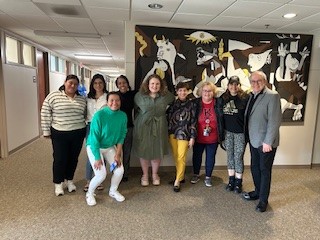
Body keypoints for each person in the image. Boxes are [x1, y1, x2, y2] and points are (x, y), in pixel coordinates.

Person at [242, 71, 282, 212]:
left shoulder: (272, 96)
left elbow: (274, 121)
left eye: (258, 81)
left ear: (264, 81)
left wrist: (268, 142)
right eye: (253, 81)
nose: (255, 83)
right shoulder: (251, 95)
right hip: (254, 140)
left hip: (265, 143)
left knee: (264, 171)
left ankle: (263, 200)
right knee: (254, 168)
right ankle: (258, 192)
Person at [41, 74, 86, 196]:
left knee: (73, 159)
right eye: (70, 82)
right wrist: (46, 131)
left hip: (78, 132)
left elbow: (86, 115)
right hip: (59, 133)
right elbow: (45, 112)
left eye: (75, 84)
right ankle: (58, 183)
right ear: (65, 82)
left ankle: (69, 180)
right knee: (60, 159)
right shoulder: (54, 96)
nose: (72, 86)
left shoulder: (82, 99)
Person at [85, 92, 127, 206]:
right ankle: (89, 193)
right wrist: (97, 158)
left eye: (117, 100)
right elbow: (94, 138)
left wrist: (118, 154)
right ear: (107, 102)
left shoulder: (123, 116)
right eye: (111, 100)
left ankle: (113, 191)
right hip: (95, 147)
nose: (114, 103)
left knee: (119, 170)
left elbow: (122, 136)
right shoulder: (99, 115)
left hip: (109, 147)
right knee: (101, 175)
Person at [132, 74, 175, 186]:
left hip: (160, 125)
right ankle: (145, 175)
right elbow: (136, 109)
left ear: (161, 85)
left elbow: (173, 101)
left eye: (157, 84)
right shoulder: (139, 96)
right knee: (143, 150)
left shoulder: (166, 96)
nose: (154, 86)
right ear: (147, 84)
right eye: (152, 83)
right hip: (143, 126)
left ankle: (155, 174)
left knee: (157, 150)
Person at [217, 76, 249, 194]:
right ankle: (231, 180)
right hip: (227, 132)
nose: (233, 87)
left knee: (238, 157)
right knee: (230, 156)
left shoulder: (245, 98)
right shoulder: (223, 98)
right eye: (231, 84)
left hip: (240, 133)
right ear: (228, 85)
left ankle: (238, 182)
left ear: (239, 85)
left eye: (236, 84)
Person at [191, 81, 223, 187]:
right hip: (198, 135)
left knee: (210, 157)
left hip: (213, 137)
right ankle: (196, 174)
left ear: (213, 92)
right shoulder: (196, 103)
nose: (207, 93)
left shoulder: (218, 102)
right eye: (205, 90)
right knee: (197, 156)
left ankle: (208, 176)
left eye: (209, 91)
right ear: (201, 91)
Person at [167, 82, 197, 192]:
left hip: (185, 134)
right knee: (176, 156)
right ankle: (181, 176)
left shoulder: (192, 104)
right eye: (180, 90)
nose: (182, 92)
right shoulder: (173, 104)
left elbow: (194, 121)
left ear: (188, 91)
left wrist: (193, 137)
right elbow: (168, 118)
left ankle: (177, 181)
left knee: (181, 157)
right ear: (177, 92)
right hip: (173, 133)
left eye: (184, 90)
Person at [83, 74, 108, 192]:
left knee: (102, 154)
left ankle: (99, 180)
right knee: (92, 153)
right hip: (90, 127)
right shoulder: (87, 98)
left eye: (100, 83)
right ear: (92, 85)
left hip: (104, 128)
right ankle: (89, 180)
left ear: (104, 84)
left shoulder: (107, 97)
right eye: (95, 83)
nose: (98, 85)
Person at [115, 75, 138, 182]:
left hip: (129, 127)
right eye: (119, 83)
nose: (122, 85)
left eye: (124, 82)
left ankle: (125, 173)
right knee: (116, 152)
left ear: (128, 84)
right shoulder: (115, 96)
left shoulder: (133, 94)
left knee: (127, 151)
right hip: (116, 128)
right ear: (117, 85)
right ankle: (116, 171)